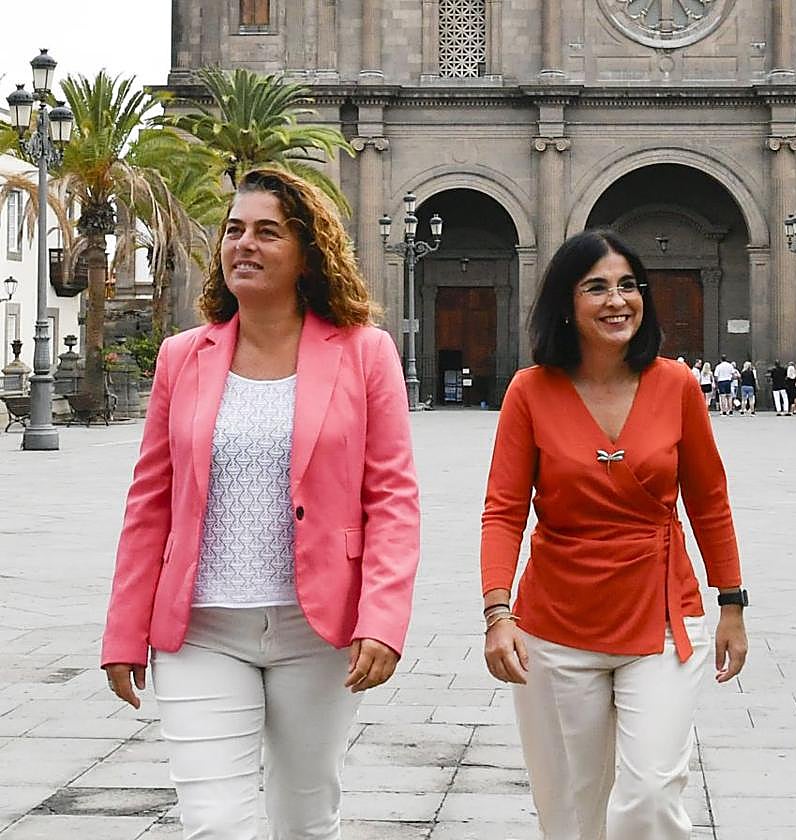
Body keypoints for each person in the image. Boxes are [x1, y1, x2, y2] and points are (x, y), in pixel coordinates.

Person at [100, 168, 422, 839]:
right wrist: (123, 631)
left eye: (267, 232)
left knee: (304, 819)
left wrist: (384, 617)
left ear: (308, 251)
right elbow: (149, 503)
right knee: (216, 824)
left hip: (319, 630)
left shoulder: (366, 354)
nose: (243, 244)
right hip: (202, 628)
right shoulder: (181, 357)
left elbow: (392, 495)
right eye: (234, 230)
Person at [479, 229, 749, 840]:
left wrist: (731, 604)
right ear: (566, 305)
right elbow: (503, 512)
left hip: (660, 618)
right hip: (554, 626)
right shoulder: (530, 391)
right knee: (572, 811)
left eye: (628, 285)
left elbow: (710, 504)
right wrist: (499, 613)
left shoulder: (676, 384)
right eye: (595, 287)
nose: (617, 300)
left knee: (652, 795)